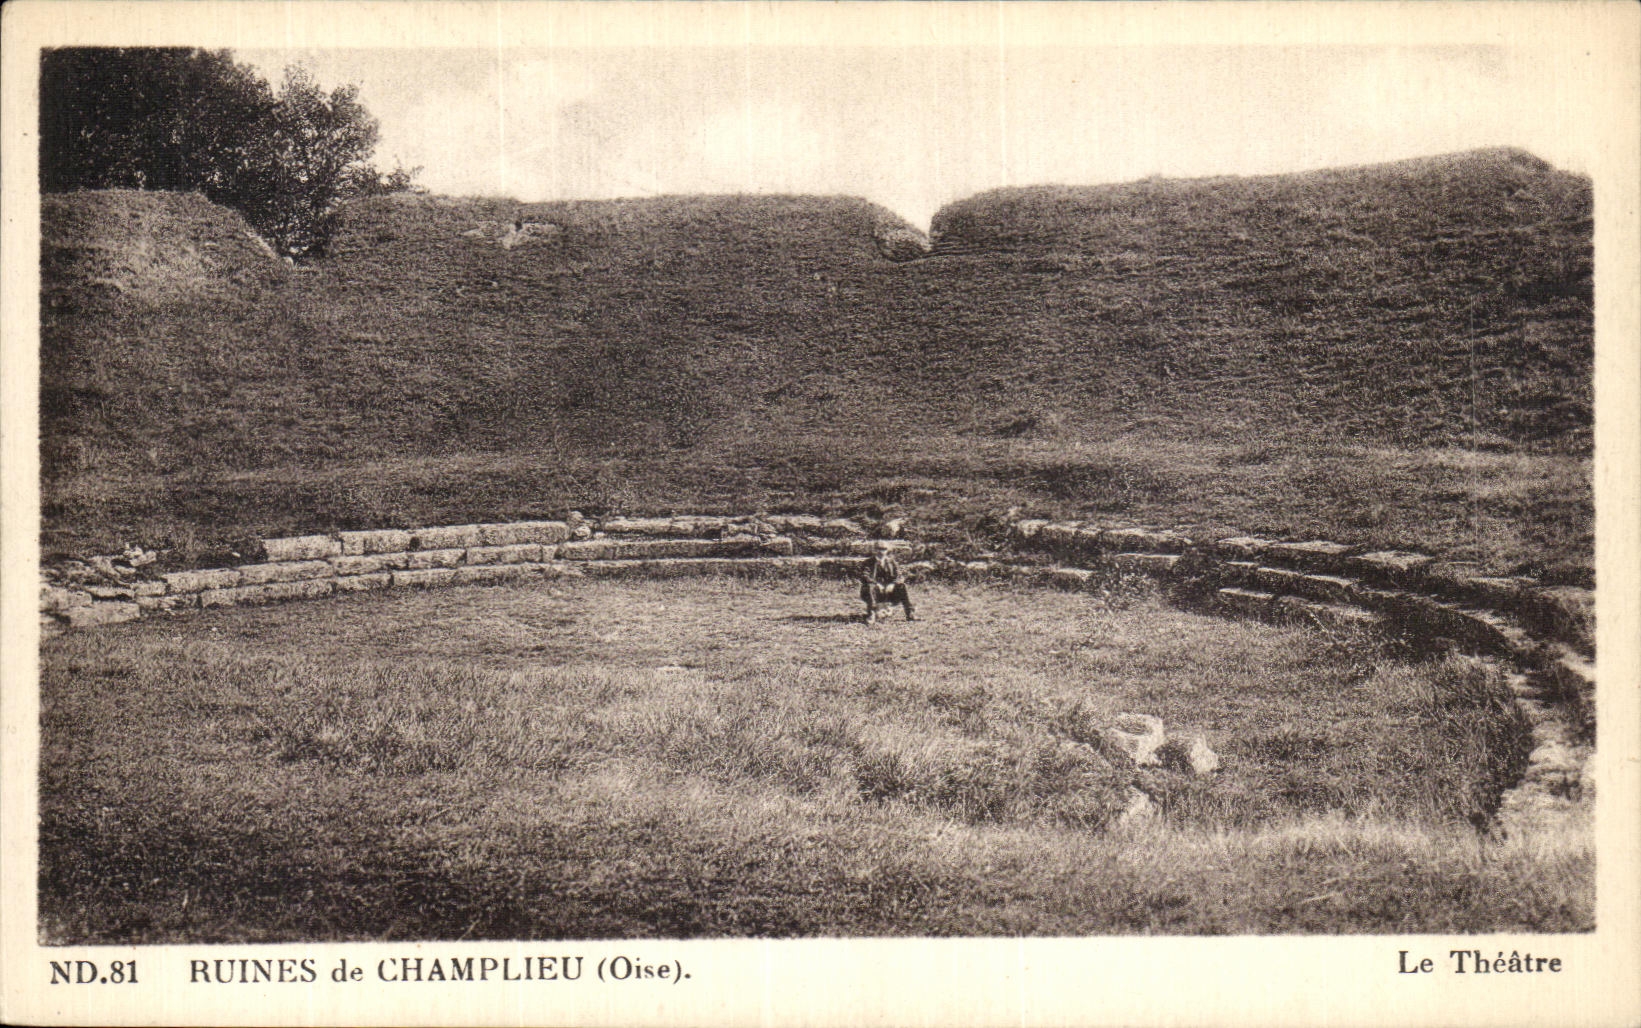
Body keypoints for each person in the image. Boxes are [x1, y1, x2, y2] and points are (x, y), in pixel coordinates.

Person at [859, 540, 916, 623]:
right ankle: (871, 614)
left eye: (884, 549)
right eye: (879, 549)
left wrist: (893, 584)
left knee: (902, 586)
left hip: (889, 592)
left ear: (887, 550)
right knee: (870, 586)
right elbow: (864, 576)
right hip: (873, 592)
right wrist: (876, 584)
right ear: (874, 550)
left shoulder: (892, 562)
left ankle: (909, 613)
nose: (881, 551)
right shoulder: (868, 563)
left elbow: (899, 576)